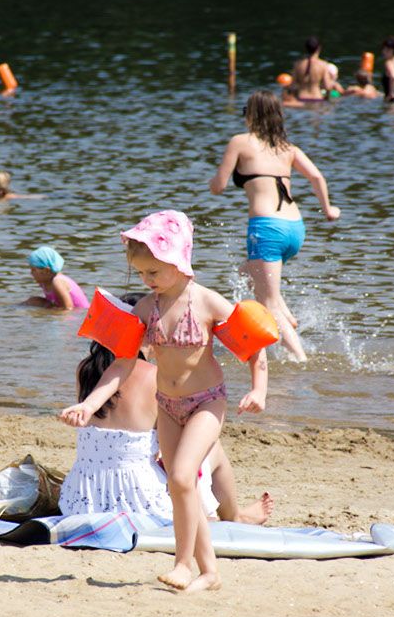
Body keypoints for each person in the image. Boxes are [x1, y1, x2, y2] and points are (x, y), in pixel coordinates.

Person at [60, 210, 269, 594]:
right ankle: (210, 572)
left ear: (178, 261)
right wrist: (89, 406)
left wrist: (258, 390)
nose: (146, 281)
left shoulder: (207, 302)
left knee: (180, 477)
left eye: (153, 273)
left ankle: (183, 565)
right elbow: (121, 366)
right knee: (181, 487)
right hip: (168, 406)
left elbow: (253, 346)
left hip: (206, 402)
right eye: (141, 274)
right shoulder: (146, 309)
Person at [59, 327, 273, 524]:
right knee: (211, 448)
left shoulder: (85, 369)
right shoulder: (155, 376)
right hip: (136, 496)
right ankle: (234, 517)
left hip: (82, 496)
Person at [210, 89, 341, 362]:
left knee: (265, 301)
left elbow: (219, 186)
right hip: (295, 228)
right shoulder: (287, 148)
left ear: (251, 115)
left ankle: (300, 360)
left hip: (267, 229)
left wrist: (216, 183)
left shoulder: (240, 142)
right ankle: (288, 318)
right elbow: (317, 176)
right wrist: (328, 209)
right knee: (247, 273)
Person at [24, 246, 89, 310]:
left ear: (46, 271)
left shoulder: (58, 282)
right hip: (61, 306)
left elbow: (68, 308)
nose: (31, 273)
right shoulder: (44, 282)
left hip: (82, 314)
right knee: (33, 301)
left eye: (33, 270)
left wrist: (48, 314)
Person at [290, 36, 344, 102]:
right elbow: (327, 86)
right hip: (317, 98)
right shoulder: (323, 65)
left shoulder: (298, 65)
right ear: (319, 48)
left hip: (301, 98)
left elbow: (293, 86)